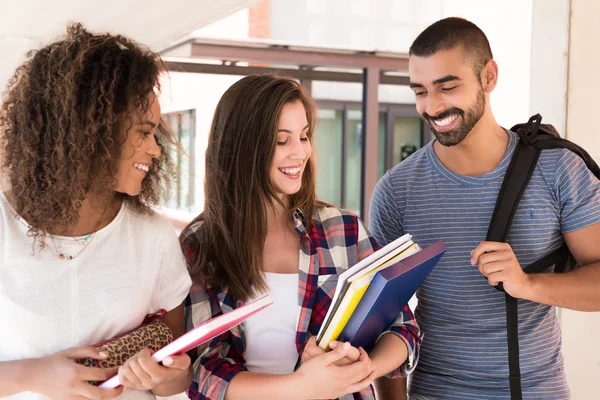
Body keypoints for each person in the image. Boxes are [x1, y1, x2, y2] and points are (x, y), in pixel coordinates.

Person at [368, 16, 600, 400]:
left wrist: (527, 284)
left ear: (488, 77)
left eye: (448, 87)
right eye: (420, 91)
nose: (433, 105)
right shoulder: (397, 191)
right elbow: (380, 317)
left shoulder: (558, 170)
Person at [179, 74, 422, 400]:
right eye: (282, 141)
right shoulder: (201, 244)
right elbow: (203, 368)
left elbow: (401, 326)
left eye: (304, 136)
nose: (300, 152)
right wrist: (302, 387)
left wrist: (363, 368)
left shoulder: (344, 229)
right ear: (243, 146)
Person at [0, 24, 193, 399]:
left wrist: (165, 375)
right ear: (91, 130)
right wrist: (33, 375)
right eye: (143, 131)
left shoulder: (152, 236)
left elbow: (178, 373)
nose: (155, 149)